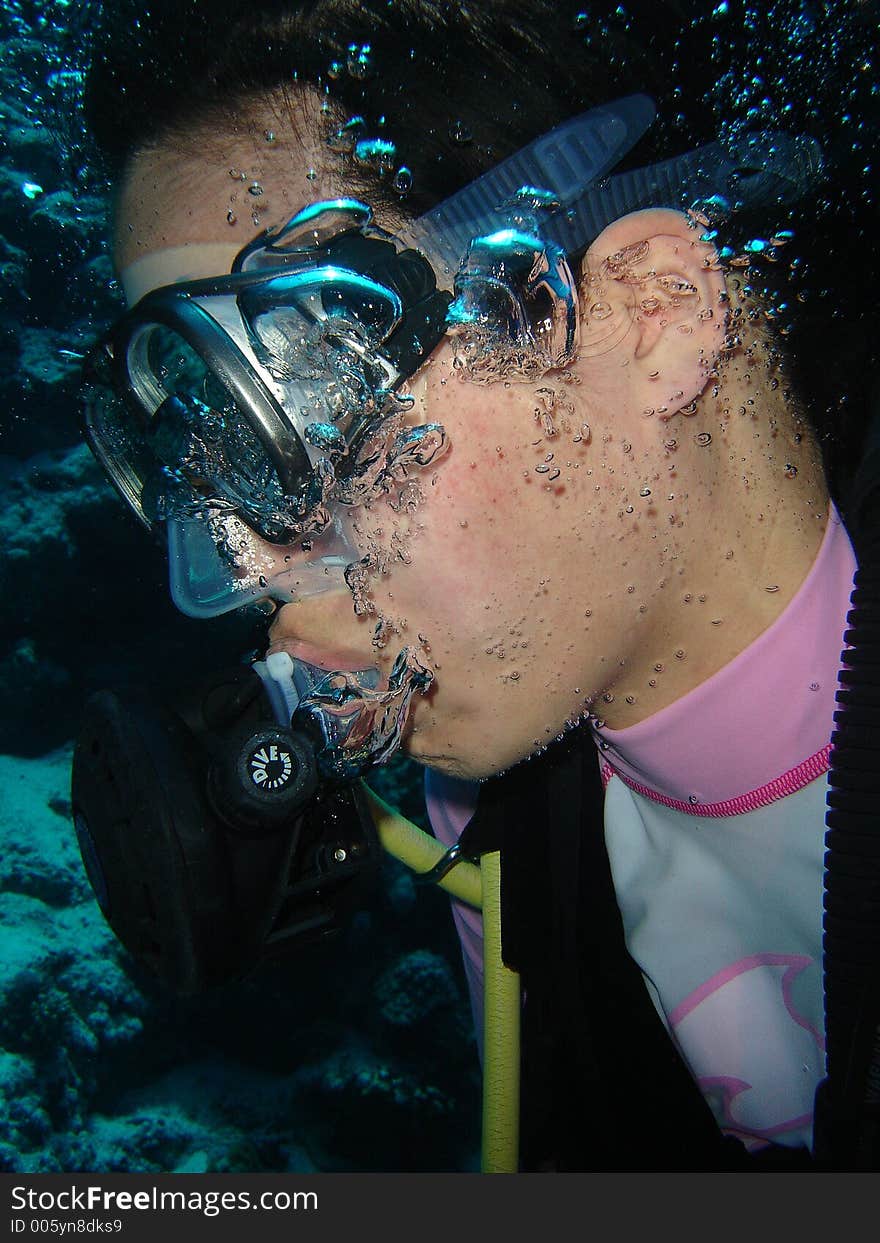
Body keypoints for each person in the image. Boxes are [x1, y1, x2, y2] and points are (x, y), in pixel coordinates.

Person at [81, 0, 879, 1170]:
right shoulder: (493, 830)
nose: (242, 557)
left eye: (307, 393)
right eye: (196, 444)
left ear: (655, 314)